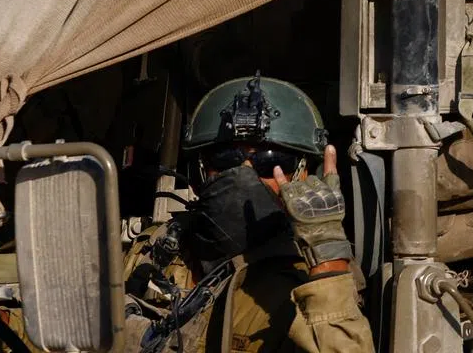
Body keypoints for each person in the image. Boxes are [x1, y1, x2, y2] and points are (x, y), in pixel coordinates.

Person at [121, 74, 375, 353]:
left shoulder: (314, 278)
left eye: (271, 160)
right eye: (225, 158)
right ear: (200, 170)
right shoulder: (156, 249)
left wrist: (328, 260)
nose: (245, 173)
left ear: (303, 173)